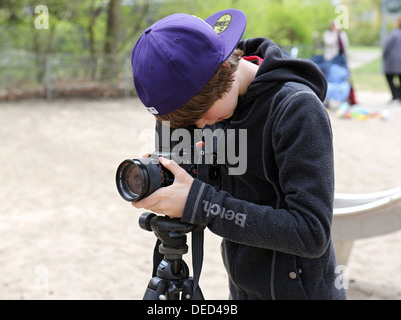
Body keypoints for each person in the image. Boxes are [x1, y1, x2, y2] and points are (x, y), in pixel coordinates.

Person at [130, 9, 346, 300]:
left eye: (199, 116)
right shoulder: (212, 104)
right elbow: (224, 188)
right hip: (243, 289)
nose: (199, 126)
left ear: (224, 73)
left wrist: (201, 203)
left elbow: (311, 233)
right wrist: (174, 174)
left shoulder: (297, 110)